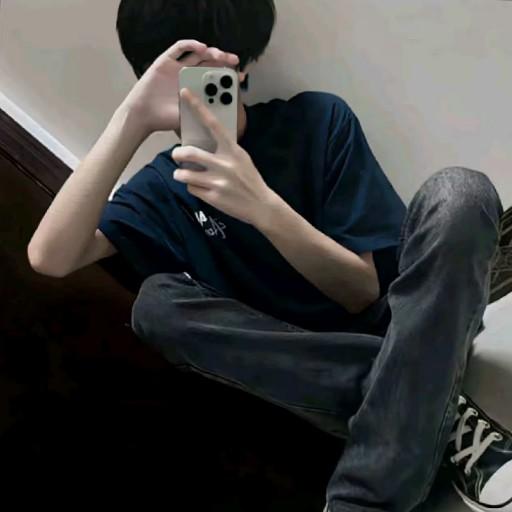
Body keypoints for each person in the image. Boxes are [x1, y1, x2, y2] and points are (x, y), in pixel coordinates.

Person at [28, 1, 512, 511]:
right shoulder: (162, 189)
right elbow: (50, 256)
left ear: (241, 66)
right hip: (312, 365)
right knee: (155, 305)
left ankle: (368, 491)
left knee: (460, 193)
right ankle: (430, 393)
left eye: (211, 67)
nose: (198, 87)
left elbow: (360, 293)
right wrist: (131, 117)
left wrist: (262, 207)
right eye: (178, 71)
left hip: (395, 323)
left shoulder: (316, 121)